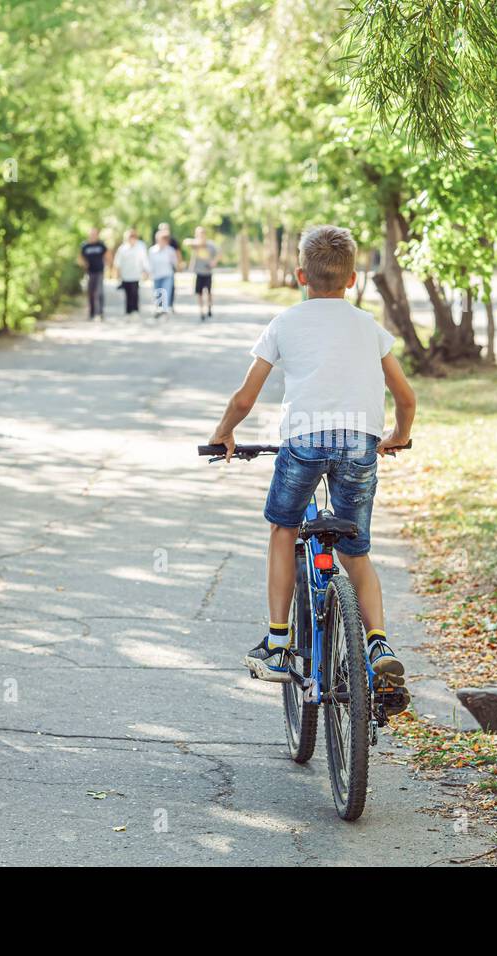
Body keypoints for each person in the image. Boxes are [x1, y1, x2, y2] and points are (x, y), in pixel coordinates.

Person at [206, 225, 416, 707]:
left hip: (303, 442)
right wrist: (396, 436)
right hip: (360, 444)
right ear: (353, 279)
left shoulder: (284, 323)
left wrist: (223, 432)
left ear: (302, 275)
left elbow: (245, 397)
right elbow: (406, 397)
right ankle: (378, 643)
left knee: (283, 529)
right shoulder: (369, 327)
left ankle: (279, 645)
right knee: (355, 552)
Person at [113, 228, 150, 315]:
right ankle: (128, 311)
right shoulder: (122, 249)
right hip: (126, 275)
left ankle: (135, 310)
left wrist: (146, 271)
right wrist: (117, 274)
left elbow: (144, 260)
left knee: (135, 293)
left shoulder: (140, 247)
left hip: (136, 274)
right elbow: (118, 262)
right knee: (128, 293)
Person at [186, 226, 218, 321]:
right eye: (198, 234)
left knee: (208, 293)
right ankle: (201, 311)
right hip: (199, 272)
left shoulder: (210, 245)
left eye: (202, 234)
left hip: (208, 272)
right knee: (199, 293)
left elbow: (219, 253)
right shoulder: (195, 245)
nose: (200, 236)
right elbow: (187, 243)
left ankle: (209, 307)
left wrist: (214, 262)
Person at [148, 229, 180, 315]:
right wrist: (148, 273)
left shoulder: (170, 250)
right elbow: (150, 263)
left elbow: (175, 262)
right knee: (158, 292)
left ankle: (164, 310)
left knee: (165, 291)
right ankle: (159, 309)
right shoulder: (152, 250)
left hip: (167, 274)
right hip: (156, 275)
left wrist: (178, 268)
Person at [79, 227, 108, 320]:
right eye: (91, 234)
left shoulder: (101, 245)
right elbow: (80, 258)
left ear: (97, 235)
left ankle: (100, 313)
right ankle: (91, 313)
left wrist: (108, 265)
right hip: (90, 272)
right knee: (91, 292)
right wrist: (84, 264)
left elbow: (108, 255)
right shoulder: (85, 246)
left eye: (95, 234)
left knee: (99, 292)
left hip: (99, 271)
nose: (93, 236)